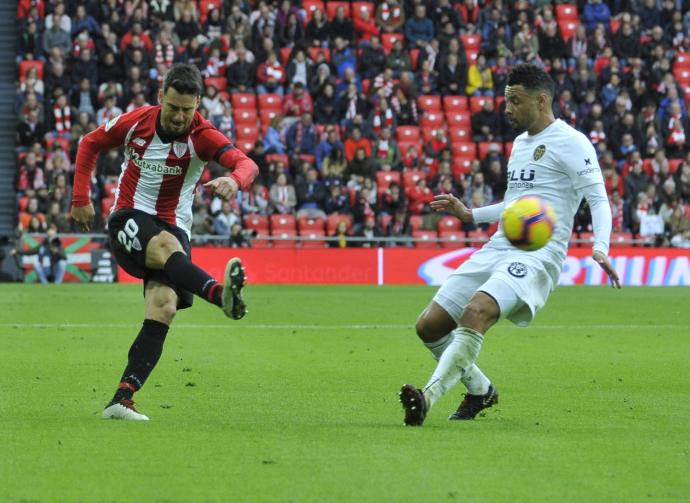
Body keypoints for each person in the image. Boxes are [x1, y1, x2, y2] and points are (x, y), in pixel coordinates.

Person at [399, 64, 620, 426]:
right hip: (500, 244)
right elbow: (517, 205)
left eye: (515, 102)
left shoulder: (573, 142)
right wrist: (471, 215)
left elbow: (598, 198)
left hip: (538, 254)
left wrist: (601, 246)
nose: (507, 109)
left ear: (542, 100)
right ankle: (481, 390)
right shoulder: (519, 145)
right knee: (430, 326)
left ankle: (428, 397)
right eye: (507, 101)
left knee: (476, 312)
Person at [70, 63, 259, 421]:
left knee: (164, 306)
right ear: (161, 97)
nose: (179, 116)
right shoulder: (137, 122)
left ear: (198, 104)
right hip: (129, 215)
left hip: (175, 227)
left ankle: (121, 399)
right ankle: (221, 296)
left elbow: (246, 163)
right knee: (165, 247)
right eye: (173, 107)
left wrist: (234, 181)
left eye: (187, 110)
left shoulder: (203, 135)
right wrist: (81, 198)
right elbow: (89, 143)